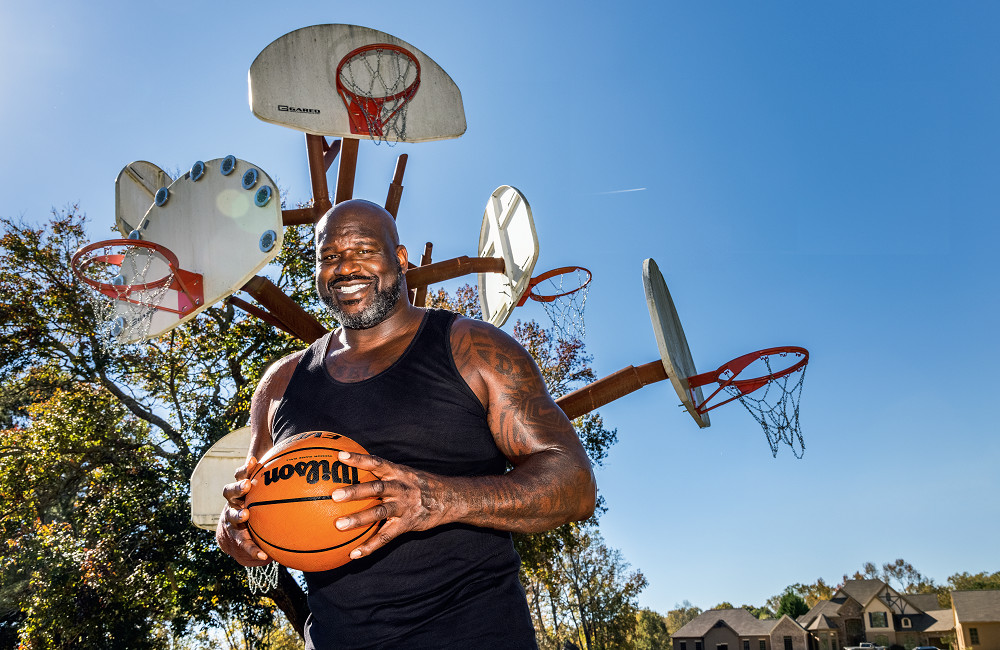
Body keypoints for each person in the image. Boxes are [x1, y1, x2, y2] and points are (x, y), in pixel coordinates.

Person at [217, 198, 597, 649]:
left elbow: (574, 484)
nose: (345, 267)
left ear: (400, 259)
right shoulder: (281, 382)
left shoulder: (472, 349)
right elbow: (252, 501)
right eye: (329, 256)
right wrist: (237, 529)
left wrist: (440, 499)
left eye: (363, 250)